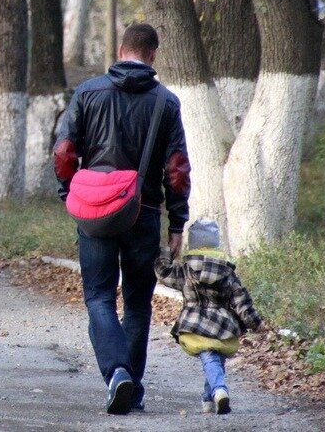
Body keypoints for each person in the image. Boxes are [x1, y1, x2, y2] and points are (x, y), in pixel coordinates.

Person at [52, 22, 192, 414]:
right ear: (153, 56)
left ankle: (118, 375)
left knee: (98, 297)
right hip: (142, 213)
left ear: (120, 49)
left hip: (94, 212)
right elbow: (177, 169)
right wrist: (177, 223)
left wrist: (70, 194)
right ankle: (131, 382)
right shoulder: (166, 102)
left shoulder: (88, 92)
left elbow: (64, 152)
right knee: (137, 303)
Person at [155, 219, 263, 415]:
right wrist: (256, 323)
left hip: (195, 323)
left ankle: (219, 390)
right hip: (223, 325)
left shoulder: (186, 270)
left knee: (210, 359)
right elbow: (241, 300)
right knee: (215, 359)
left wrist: (166, 251)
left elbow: (163, 273)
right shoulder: (227, 271)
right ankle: (209, 398)